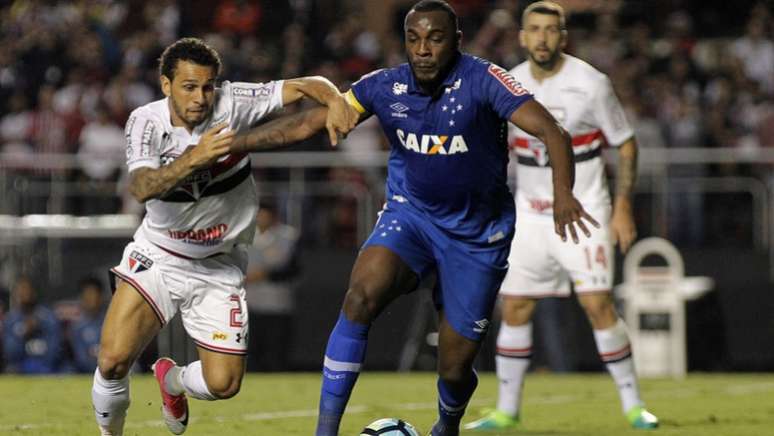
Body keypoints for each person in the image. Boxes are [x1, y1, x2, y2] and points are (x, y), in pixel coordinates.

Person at [231, 1, 595, 434]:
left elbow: (553, 132)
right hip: (412, 218)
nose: (423, 49)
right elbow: (313, 121)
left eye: (435, 38)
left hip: (477, 236)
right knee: (359, 297)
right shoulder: (384, 86)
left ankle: (447, 425)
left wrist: (562, 195)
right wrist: (234, 144)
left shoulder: (484, 79)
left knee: (455, 366)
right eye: (414, 39)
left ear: (456, 42)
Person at [91, 37, 356, 436]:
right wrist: (194, 158)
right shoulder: (146, 121)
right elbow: (141, 187)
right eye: (188, 86)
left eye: (207, 86)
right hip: (160, 254)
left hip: (220, 263)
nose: (200, 97)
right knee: (112, 360)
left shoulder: (232, 102)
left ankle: (172, 381)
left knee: (224, 384)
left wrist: (335, 97)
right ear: (166, 85)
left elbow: (305, 85)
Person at [464, 2, 658, 431]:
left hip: (585, 209)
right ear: (522, 36)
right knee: (514, 307)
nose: (542, 38)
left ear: (563, 37)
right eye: (534, 29)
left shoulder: (590, 83)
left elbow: (625, 143)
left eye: (551, 30)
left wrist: (622, 204)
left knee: (597, 304)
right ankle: (507, 410)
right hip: (530, 213)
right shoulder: (507, 82)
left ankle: (634, 405)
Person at [244, 199, 300, 371]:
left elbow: (295, 269)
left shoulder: (288, 236)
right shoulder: (243, 236)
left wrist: (266, 274)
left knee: (277, 350)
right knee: (251, 351)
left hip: (278, 303)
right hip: (249, 303)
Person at [2, 276, 62, 374]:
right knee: (10, 370)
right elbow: (10, 353)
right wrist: (24, 331)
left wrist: (40, 326)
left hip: (46, 366)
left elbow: (55, 351)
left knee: (65, 369)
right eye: (20, 290)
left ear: (34, 292)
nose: (24, 293)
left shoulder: (48, 317)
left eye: (27, 289)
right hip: (20, 368)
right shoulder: (10, 320)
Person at [70, 276, 106, 373]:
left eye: (94, 294)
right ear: (82, 298)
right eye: (88, 294)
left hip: (110, 371)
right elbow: (80, 359)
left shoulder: (111, 323)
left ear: (100, 297)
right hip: (86, 372)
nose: (91, 298)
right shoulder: (77, 327)